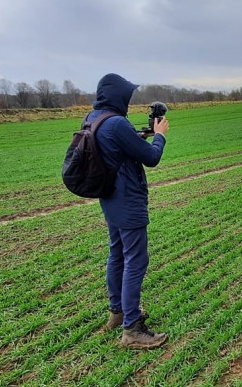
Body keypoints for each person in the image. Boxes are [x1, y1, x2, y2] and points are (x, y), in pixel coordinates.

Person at [86, 73, 170, 349]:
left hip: (108, 198)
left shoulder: (93, 118)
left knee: (117, 254)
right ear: (118, 97)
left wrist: (139, 136)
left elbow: (117, 144)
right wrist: (159, 136)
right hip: (128, 200)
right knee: (136, 260)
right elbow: (151, 158)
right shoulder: (118, 123)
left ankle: (117, 312)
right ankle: (132, 329)